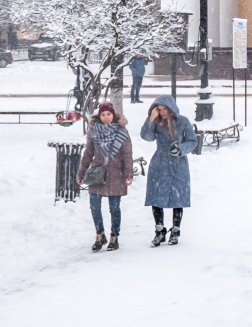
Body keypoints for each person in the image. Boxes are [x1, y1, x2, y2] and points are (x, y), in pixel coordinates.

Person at [141, 94, 197, 246]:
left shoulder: (183, 121)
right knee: (156, 196)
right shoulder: (157, 122)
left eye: (165, 109)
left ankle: (176, 230)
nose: (163, 112)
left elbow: (193, 141)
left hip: (178, 164)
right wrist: (151, 119)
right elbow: (147, 137)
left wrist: (180, 149)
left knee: (178, 197)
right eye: (159, 109)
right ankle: (159, 230)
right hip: (159, 162)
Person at [78, 102, 134, 251]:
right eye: (103, 114)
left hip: (116, 174)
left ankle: (114, 237)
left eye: (108, 114)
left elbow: (127, 155)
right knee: (94, 206)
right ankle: (100, 235)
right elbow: (87, 155)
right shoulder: (93, 132)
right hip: (97, 174)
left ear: (113, 115)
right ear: (99, 116)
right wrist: (81, 173)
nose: (106, 117)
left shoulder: (122, 132)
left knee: (114, 208)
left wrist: (128, 174)